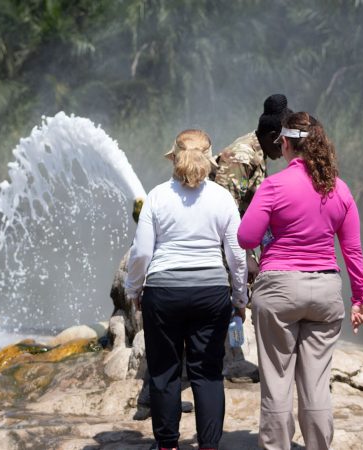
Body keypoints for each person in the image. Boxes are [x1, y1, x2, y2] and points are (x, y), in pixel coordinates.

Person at [237, 112, 363, 449]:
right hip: (326, 291)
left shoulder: (274, 185)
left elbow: (246, 237)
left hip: (279, 290)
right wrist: (361, 300)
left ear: (285, 143)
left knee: (277, 381)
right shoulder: (339, 189)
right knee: (315, 385)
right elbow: (352, 250)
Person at [125, 129, 248, 450]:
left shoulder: (157, 196)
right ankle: (208, 446)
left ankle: (167, 445)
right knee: (207, 374)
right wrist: (239, 298)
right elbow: (237, 254)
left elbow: (141, 253)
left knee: (164, 372)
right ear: (208, 159)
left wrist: (134, 289)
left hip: (163, 294)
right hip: (211, 294)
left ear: (174, 158)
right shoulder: (222, 198)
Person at [213, 93, 291, 281]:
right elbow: (221, 213)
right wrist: (246, 257)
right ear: (273, 137)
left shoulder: (259, 153)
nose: (286, 149)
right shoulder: (242, 157)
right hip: (216, 246)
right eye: (283, 143)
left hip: (234, 242)